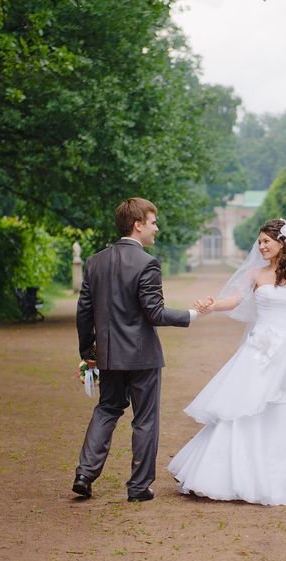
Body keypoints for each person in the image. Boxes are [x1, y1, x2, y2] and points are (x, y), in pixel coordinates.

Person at [168, 219, 286, 506]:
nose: (261, 246)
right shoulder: (256, 275)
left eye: (266, 241)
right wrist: (210, 306)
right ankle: (232, 475)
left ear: (283, 243)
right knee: (244, 408)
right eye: (259, 242)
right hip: (258, 352)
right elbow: (234, 300)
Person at [73, 197, 199, 502]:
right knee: (144, 419)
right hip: (142, 356)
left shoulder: (94, 262)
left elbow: (84, 312)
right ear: (138, 224)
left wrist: (88, 351)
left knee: (106, 409)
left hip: (109, 354)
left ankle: (84, 474)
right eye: (153, 222)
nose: (157, 227)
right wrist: (191, 315)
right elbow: (154, 313)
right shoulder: (147, 263)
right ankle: (139, 487)